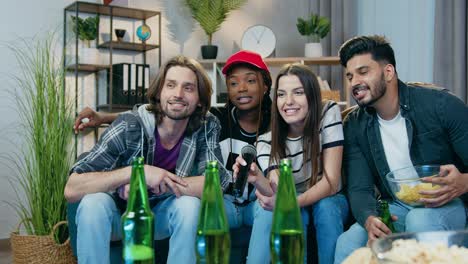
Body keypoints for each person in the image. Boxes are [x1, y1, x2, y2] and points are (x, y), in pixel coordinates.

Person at [73, 50, 274, 260]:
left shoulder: (207, 124)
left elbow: (214, 182)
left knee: (190, 205)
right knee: (92, 204)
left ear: (199, 100)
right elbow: (72, 187)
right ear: (159, 92)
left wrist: (155, 181)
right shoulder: (130, 125)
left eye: (188, 88)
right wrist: (135, 173)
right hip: (122, 214)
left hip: (170, 212)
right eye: (170, 85)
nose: (178, 93)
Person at [334, 35, 468, 263]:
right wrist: (369, 220)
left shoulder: (442, 106)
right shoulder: (354, 125)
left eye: (363, 72)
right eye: (349, 76)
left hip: (448, 204)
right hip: (397, 207)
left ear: (388, 72)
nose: (354, 81)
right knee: (348, 242)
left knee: (419, 221)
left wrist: (464, 182)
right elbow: (359, 188)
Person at [233, 63, 349, 264]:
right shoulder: (265, 141)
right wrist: (257, 178)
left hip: (329, 196)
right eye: (281, 95)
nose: (288, 102)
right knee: (295, 213)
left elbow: (331, 182)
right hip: (292, 198)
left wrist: (292, 203)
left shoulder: (328, 112)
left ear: (312, 96)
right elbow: (278, 190)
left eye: (298, 92)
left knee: (326, 207)